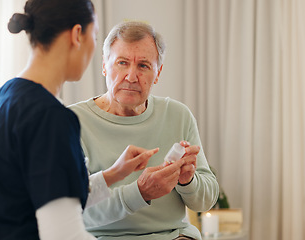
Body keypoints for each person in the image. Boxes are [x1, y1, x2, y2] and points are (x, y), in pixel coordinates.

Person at [0, 2, 159, 240]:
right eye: (94, 36)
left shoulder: (2, 99)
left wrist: (114, 173)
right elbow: (64, 234)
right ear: (77, 35)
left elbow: (43, 194)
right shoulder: (49, 117)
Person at [68, 21, 220, 240]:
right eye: (122, 63)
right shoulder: (73, 121)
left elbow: (205, 201)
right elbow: (76, 211)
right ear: (104, 66)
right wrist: (139, 193)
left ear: (157, 73)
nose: (131, 76)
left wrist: (188, 180)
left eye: (143, 66)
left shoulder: (178, 114)